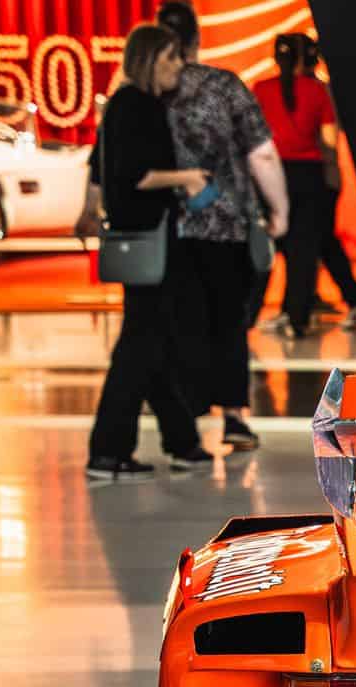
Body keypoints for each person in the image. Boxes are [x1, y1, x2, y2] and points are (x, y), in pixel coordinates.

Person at [154, 1, 289, 454]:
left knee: (181, 322)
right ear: (197, 39)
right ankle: (233, 418)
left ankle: (186, 420)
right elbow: (261, 153)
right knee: (229, 323)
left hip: (169, 228)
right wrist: (279, 210)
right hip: (227, 227)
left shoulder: (148, 91)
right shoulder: (225, 86)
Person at [86, 24, 214, 480]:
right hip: (151, 239)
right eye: (170, 58)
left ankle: (182, 441)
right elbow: (136, 174)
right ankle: (108, 450)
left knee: (153, 342)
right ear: (149, 60)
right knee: (141, 346)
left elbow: (106, 169)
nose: (179, 65)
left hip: (146, 239)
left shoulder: (129, 104)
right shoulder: (136, 106)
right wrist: (189, 178)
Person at [253, 33, 356, 338]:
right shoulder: (318, 90)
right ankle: (301, 314)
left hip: (271, 175)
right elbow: (329, 139)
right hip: (313, 178)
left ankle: (281, 313)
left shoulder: (261, 89)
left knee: (287, 245)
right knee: (309, 245)